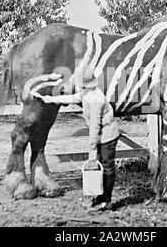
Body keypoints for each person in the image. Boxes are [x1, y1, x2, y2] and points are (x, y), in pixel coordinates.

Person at [40, 65, 120, 211]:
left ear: (83, 83)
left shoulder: (95, 99)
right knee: (99, 167)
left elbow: (95, 127)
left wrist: (91, 152)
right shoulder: (88, 92)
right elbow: (73, 97)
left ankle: (106, 201)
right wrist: (51, 99)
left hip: (107, 135)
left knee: (107, 167)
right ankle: (98, 198)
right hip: (101, 134)